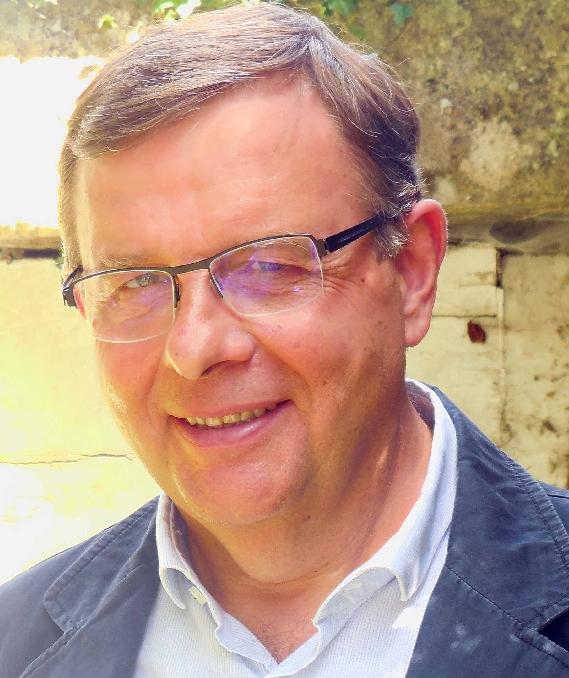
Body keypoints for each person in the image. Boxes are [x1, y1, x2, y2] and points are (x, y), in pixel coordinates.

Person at [2, 4, 569, 677]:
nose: (194, 348)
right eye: (136, 283)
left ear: (412, 273)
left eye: (268, 266)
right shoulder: (16, 642)